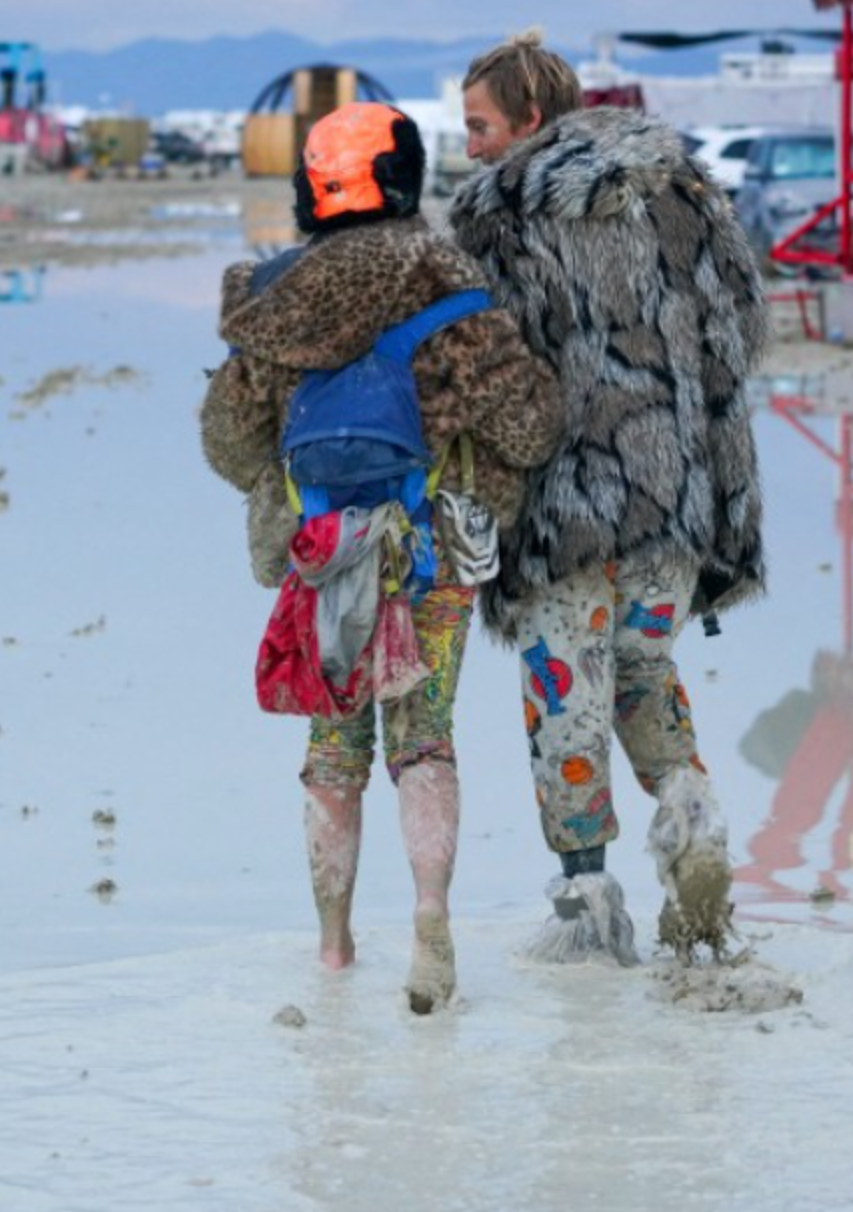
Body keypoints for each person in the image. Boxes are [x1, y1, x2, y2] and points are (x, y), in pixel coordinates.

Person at [201, 102, 560, 1013]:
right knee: (425, 736)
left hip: (319, 556)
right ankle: (431, 918)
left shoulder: (272, 297)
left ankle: (331, 950)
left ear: (311, 187)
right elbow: (529, 422)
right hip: (430, 550)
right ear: (402, 178)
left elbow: (229, 444)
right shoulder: (447, 280)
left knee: (333, 749)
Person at [449, 33, 770, 963]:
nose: (468, 146)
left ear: (530, 121)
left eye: (478, 126)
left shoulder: (502, 212)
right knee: (643, 674)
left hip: (566, 505)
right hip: (679, 496)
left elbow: (490, 375)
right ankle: (692, 821)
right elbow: (741, 329)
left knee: (566, 698)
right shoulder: (686, 190)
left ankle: (588, 902)